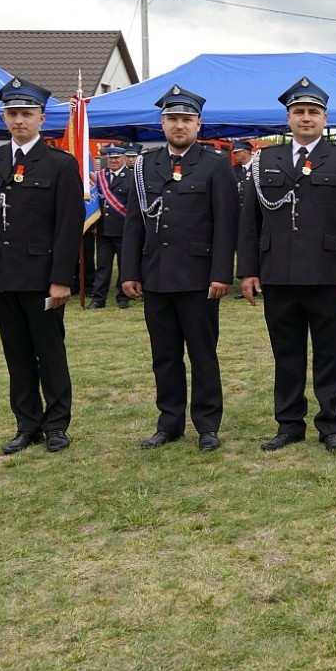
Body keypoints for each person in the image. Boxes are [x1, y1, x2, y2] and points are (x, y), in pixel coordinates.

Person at [237, 76, 336, 454]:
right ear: (288, 117)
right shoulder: (265, 160)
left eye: (313, 112)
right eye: (299, 112)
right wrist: (248, 270)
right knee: (286, 353)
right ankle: (289, 424)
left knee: (330, 353)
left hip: (328, 273)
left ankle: (330, 426)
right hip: (278, 272)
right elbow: (250, 220)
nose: (306, 118)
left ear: (325, 118)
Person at [0, 77, 83, 454]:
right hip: (1, 274)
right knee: (15, 354)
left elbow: (68, 227)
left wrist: (61, 280)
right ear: (4, 117)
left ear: (42, 119)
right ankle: (27, 424)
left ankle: (56, 426)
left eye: (26, 114)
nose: (19, 120)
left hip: (42, 277)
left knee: (50, 353)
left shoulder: (60, 164)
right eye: (12, 113)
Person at [121, 86, 238, 452]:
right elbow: (134, 225)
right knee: (165, 356)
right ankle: (168, 423)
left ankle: (207, 425)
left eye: (186, 119)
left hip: (199, 279)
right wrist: (129, 272)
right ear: (162, 123)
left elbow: (226, 224)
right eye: (173, 119)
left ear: (198, 124)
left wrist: (221, 274)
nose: (179, 125)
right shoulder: (145, 166)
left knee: (203, 355)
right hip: (156, 276)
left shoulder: (215, 165)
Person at [89, 145, 132, 309]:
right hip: (103, 230)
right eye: (111, 158)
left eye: (117, 158)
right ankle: (98, 299)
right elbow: (93, 203)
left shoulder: (131, 176)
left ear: (123, 159)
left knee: (124, 265)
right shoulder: (100, 177)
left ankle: (123, 297)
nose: (113, 161)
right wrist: (94, 224)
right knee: (103, 266)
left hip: (123, 229)